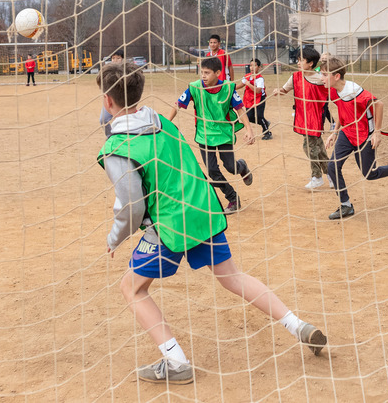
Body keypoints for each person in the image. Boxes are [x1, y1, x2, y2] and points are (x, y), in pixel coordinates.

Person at [96, 62, 327, 384]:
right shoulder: (160, 121)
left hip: (170, 224)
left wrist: (114, 238)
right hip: (204, 207)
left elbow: (132, 206)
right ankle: (297, 324)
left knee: (132, 288)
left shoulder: (116, 148)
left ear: (107, 101)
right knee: (231, 276)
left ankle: (176, 362)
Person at [321, 56, 388, 220]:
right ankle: (346, 205)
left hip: (364, 135)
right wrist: (335, 132)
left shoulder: (355, 91)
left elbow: (379, 104)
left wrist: (377, 132)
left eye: (325, 74)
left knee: (370, 174)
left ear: (336, 76)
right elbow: (343, 112)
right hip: (347, 134)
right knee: (332, 166)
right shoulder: (333, 92)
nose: (322, 78)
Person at [167, 57, 255, 213]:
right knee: (212, 171)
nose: (203, 76)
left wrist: (249, 130)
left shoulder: (228, 88)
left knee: (231, 167)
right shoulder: (194, 88)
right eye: (202, 72)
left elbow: (240, 109)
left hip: (223, 134)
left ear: (218, 73)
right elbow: (177, 105)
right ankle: (233, 198)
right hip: (204, 135)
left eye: (207, 73)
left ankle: (242, 167)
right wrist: (166, 124)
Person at [273, 46, 331, 190]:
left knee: (309, 147)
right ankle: (332, 174)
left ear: (311, 63)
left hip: (315, 117)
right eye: (297, 60)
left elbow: (332, 90)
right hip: (302, 117)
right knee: (319, 147)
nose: (298, 63)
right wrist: (278, 91)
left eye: (301, 60)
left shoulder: (320, 79)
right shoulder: (295, 77)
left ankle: (317, 177)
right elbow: (285, 90)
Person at [235, 58, 272, 140]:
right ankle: (265, 123)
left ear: (258, 67)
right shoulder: (246, 76)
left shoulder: (260, 78)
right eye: (250, 65)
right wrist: (232, 87)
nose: (252, 67)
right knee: (249, 117)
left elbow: (258, 91)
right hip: (249, 99)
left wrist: (248, 84)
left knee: (259, 115)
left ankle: (267, 132)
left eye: (254, 65)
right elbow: (241, 85)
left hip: (259, 98)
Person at [100, 51, 126, 137]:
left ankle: (124, 139)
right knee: (103, 120)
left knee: (123, 122)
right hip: (110, 100)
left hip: (122, 101)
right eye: (113, 58)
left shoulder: (126, 70)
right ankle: (110, 137)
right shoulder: (107, 71)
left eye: (118, 58)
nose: (115, 60)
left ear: (122, 59)